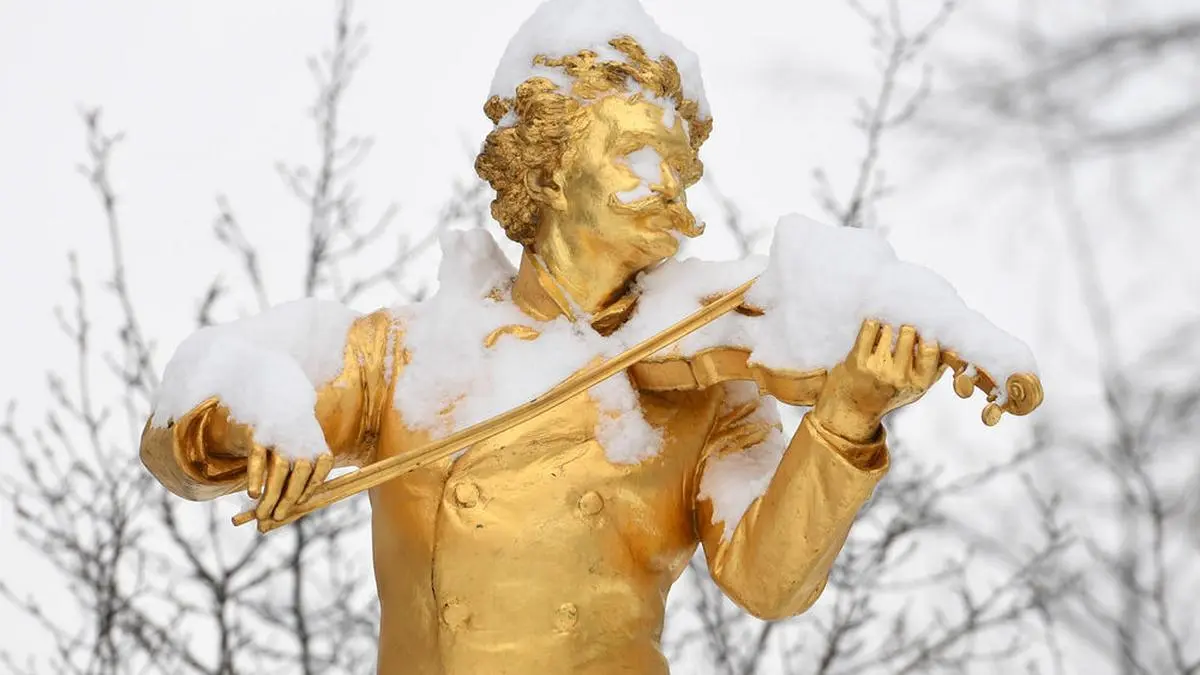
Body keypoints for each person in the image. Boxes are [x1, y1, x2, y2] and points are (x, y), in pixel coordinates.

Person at [140, 1, 944, 672]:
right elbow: (176, 439)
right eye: (637, 155)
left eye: (680, 165)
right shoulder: (405, 355)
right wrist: (254, 425)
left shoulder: (715, 385)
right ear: (550, 167)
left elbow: (770, 582)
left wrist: (847, 416)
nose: (669, 186)